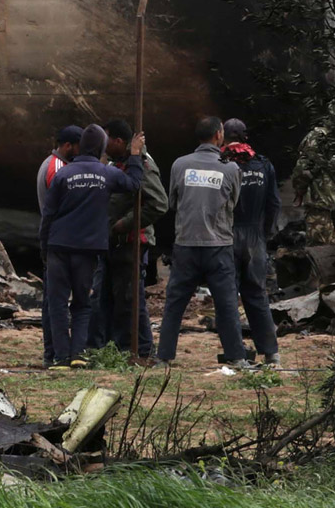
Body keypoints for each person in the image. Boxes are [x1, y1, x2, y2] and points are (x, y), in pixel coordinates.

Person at [41, 124, 144, 369]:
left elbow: (48, 214)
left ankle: (60, 357)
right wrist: (136, 155)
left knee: (56, 303)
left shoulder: (63, 175)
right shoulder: (106, 174)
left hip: (58, 245)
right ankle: (78, 354)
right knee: (82, 303)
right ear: (100, 148)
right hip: (87, 249)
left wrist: (44, 246)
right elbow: (134, 184)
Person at [156, 117, 250, 368]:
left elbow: (172, 202)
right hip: (218, 246)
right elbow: (233, 204)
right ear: (219, 135)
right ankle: (237, 357)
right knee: (227, 304)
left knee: (175, 304)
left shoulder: (180, 165)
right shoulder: (230, 168)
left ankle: (163, 357)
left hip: (185, 244)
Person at [100, 118, 169, 357]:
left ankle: (141, 348)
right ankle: (118, 345)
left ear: (119, 141)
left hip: (131, 242)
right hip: (114, 243)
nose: (103, 144)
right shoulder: (116, 163)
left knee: (131, 298)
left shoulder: (141, 165)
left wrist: (124, 224)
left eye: (106, 139)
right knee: (113, 297)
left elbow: (159, 203)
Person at [221, 118, 282, 366]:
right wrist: (264, 234)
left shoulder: (221, 163)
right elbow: (274, 204)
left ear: (223, 137)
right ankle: (271, 352)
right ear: (245, 136)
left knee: (228, 297)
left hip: (227, 234)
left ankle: (236, 354)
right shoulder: (263, 164)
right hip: (255, 237)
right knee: (257, 295)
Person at [36, 125, 83, 367]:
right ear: (67, 146)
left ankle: (52, 353)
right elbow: (61, 207)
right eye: (78, 146)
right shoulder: (58, 169)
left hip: (56, 240)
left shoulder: (56, 165)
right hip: (59, 242)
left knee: (52, 301)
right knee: (56, 302)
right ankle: (56, 354)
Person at [291, 126, 335, 246]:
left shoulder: (314, 141)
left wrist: (299, 190)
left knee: (319, 250)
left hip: (320, 208)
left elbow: (300, 174)